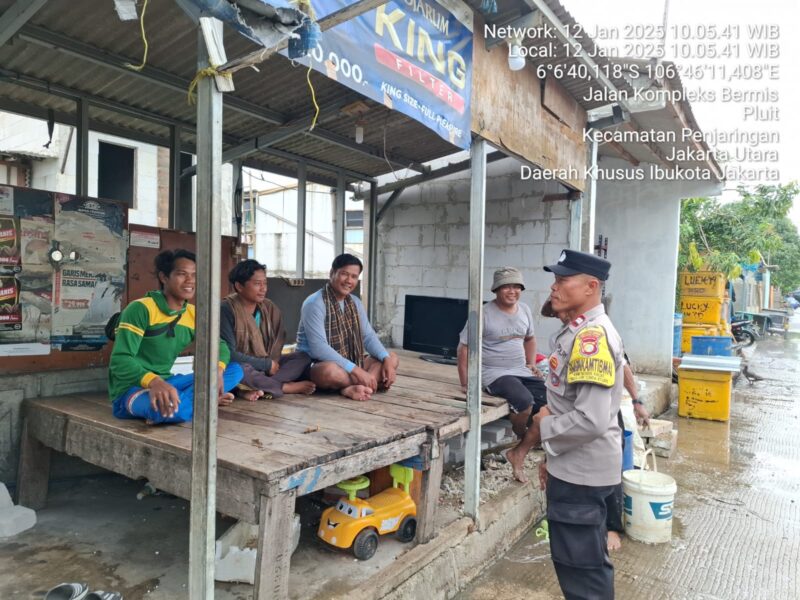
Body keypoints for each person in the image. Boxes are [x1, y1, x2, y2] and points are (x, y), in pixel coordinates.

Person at [508, 249, 623, 600]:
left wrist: (544, 426)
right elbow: (571, 405)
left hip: (583, 475)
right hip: (574, 465)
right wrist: (550, 459)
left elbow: (591, 419)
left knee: (583, 576)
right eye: (555, 279)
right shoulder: (575, 332)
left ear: (591, 286)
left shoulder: (591, 339)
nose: (553, 287)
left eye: (562, 280)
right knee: (579, 565)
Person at [541, 298, 650, 553]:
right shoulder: (568, 336)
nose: (561, 318)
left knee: (612, 471)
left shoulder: (595, 335)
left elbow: (623, 373)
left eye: (563, 313)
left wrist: (636, 401)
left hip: (607, 418)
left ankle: (612, 527)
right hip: (579, 427)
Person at [109, 249, 243, 424]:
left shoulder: (194, 314)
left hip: (169, 382)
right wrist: (154, 382)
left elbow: (221, 347)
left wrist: (217, 370)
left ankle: (190, 402)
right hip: (132, 389)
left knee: (236, 370)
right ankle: (203, 403)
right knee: (171, 411)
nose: (190, 281)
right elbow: (120, 360)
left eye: (194, 275)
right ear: (164, 277)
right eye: (182, 274)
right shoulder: (141, 309)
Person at [456, 267, 546, 481]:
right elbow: (464, 348)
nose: (512, 291)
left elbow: (530, 339)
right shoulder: (483, 314)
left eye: (516, 286)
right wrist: (465, 382)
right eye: (507, 286)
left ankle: (518, 452)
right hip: (494, 373)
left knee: (552, 403)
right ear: (496, 289)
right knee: (525, 402)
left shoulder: (524, 310)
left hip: (521, 371)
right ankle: (523, 436)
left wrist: (530, 363)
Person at [296, 253, 399, 401]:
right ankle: (365, 384)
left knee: (392, 358)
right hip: (314, 364)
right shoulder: (314, 303)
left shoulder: (355, 302)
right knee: (329, 372)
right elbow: (319, 348)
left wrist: (387, 361)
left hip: (349, 361)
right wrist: (356, 370)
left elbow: (368, 337)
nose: (349, 281)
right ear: (332, 273)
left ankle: (354, 386)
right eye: (344, 274)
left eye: (354, 277)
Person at [220, 260, 315, 400]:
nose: (263, 288)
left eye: (265, 283)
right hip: (241, 365)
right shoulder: (227, 309)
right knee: (238, 370)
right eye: (258, 284)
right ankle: (282, 387)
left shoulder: (269, 308)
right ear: (239, 286)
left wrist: (271, 364)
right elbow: (229, 354)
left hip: (267, 365)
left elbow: (277, 342)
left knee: (302, 357)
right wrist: (266, 364)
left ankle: (261, 385)